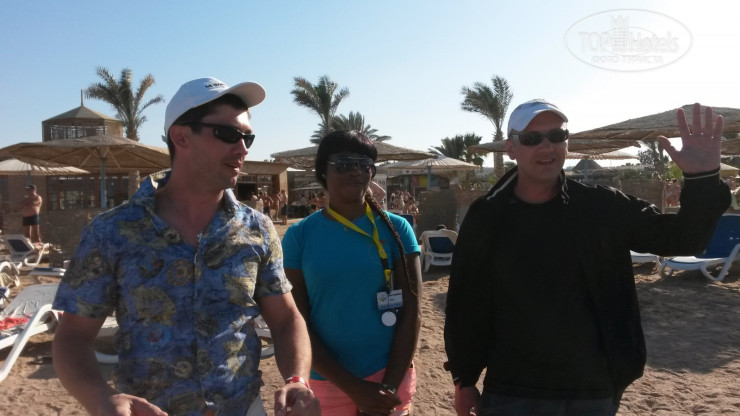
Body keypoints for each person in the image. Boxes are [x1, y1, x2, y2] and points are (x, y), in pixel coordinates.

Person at [52, 77, 319, 416]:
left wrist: (297, 379)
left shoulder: (257, 229)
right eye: (229, 134)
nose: (243, 148)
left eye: (248, 137)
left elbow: (285, 319)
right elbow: (73, 335)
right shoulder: (112, 231)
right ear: (180, 136)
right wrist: (101, 399)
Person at [444, 100, 729, 416]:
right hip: (513, 390)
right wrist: (464, 378)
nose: (546, 146)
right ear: (511, 148)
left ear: (567, 143)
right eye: (532, 138)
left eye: (557, 136)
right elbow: (466, 302)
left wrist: (703, 179)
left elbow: (683, 238)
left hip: (593, 391)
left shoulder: (602, 207)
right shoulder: (487, 216)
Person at [281, 130, 422, 415]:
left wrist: (389, 387)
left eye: (364, 164)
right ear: (323, 171)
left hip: (390, 377)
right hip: (327, 382)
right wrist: (354, 389)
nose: (355, 171)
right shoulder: (299, 236)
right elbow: (298, 322)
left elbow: (413, 311)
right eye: (344, 164)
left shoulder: (397, 229)